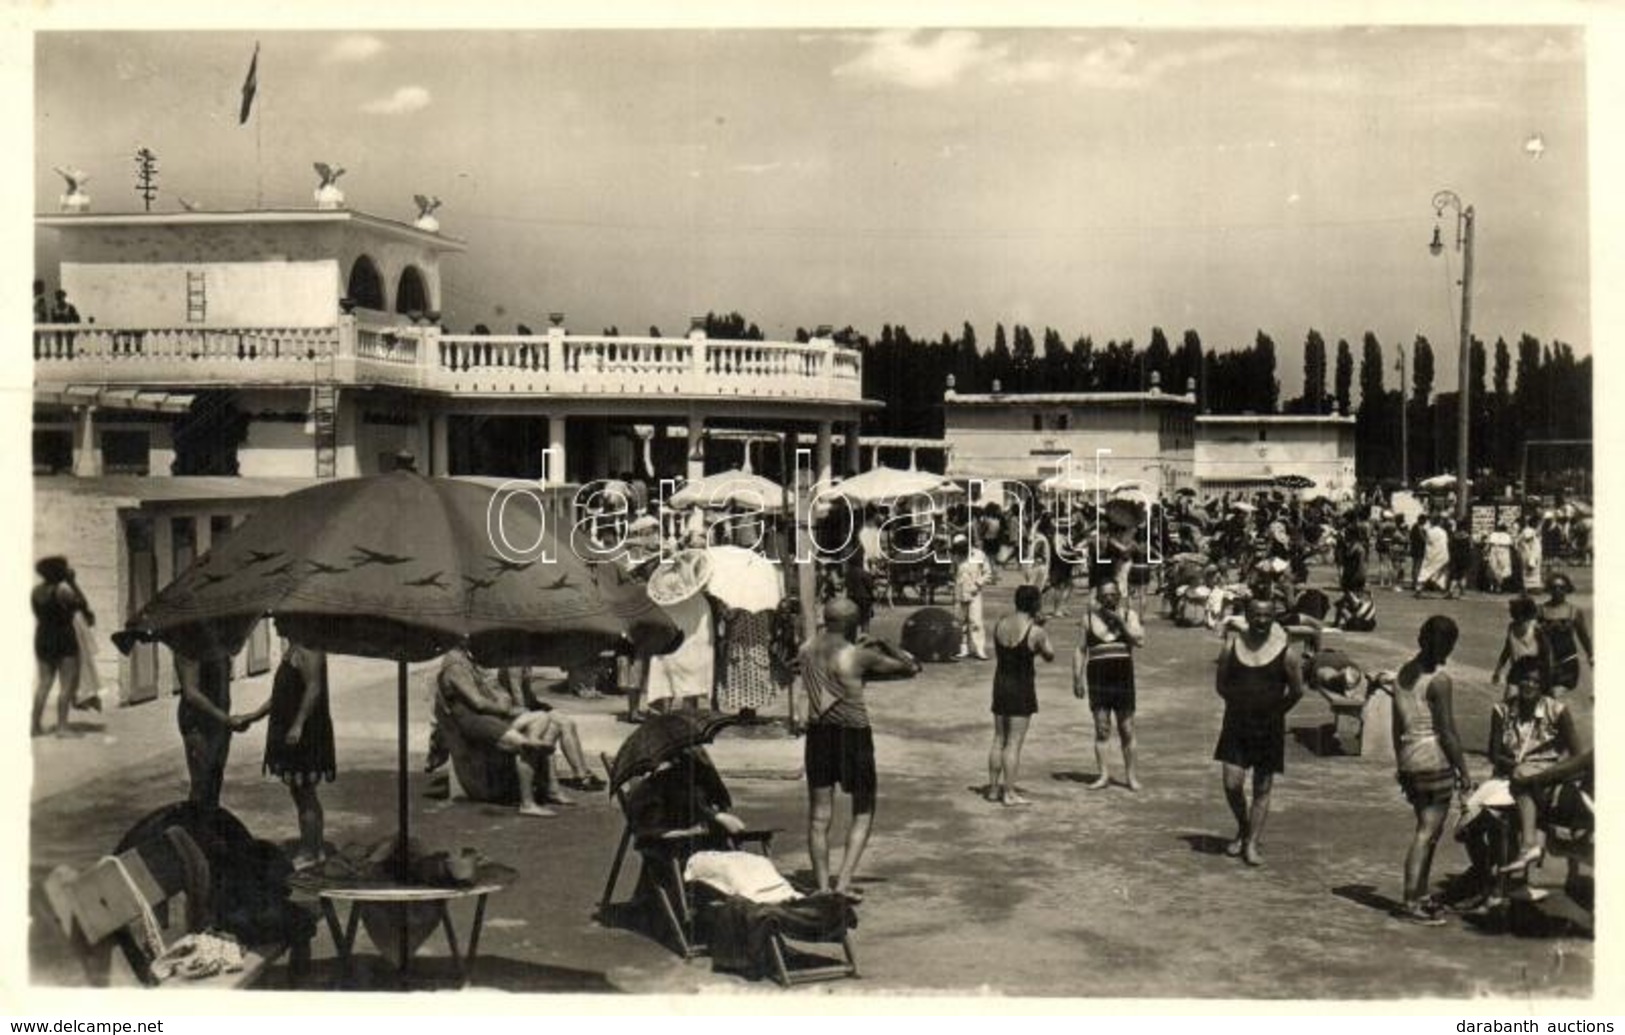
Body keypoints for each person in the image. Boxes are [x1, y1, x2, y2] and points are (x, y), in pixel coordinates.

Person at [794, 597, 921, 899]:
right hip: (853, 735)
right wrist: (884, 643)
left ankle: (823, 886)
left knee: (819, 816)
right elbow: (911, 667)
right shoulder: (857, 655)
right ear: (853, 625)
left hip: (819, 734)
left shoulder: (806, 648)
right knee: (863, 810)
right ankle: (843, 883)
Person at [435, 642, 604, 818]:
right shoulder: (454, 664)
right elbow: (479, 702)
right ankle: (528, 802)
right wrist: (503, 708)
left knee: (549, 726)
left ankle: (552, 788)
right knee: (532, 742)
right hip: (475, 720)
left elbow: (499, 694)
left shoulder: (469, 660)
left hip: (490, 716)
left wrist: (506, 704)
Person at [1384, 616, 1474, 925]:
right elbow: (1447, 731)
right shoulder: (1439, 680)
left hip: (1409, 756)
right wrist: (1464, 770)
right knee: (1427, 832)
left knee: (1428, 830)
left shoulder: (1403, 673)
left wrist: (1400, 762)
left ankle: (1420, 894)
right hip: (1433, 758)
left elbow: (1396, 726)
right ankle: (1410, 901)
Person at [1213, 597, 1305, 867]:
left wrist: (1275, 713)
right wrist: (1241, 705)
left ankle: (1251, 842)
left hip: (1269, 728)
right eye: (1257, 615)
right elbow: (1221, 685)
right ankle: (1243, 827)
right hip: (1236, 724)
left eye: (1268, 616)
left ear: (1274, 618)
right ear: (1247, 617)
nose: (1262, 621)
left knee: (1262, 787)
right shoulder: (1232, 646)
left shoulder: (1286, 653)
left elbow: (1297, 691)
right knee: (1232, 784)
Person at [237, 638, 336, 868]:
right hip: (291, 730)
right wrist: (253, 716)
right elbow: (280, 696)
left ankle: (311, 850)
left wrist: (298, 724)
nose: (279, 626)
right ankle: (314, 847)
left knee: (305, 793)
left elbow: (314, 688)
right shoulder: (293, 648)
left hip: (305, 734)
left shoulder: (309, 648)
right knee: (299, 792)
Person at [1489, 658, 1586, 876]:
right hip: (1510, 773)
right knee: (1477, 818)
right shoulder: (1501, 710)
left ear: (1543, 685)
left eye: (1536, 681)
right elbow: (1493, 754)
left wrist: (1548, 775)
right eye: (1525, 679)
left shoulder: (1557, 711)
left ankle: (1527, 849)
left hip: (1548, 775)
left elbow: (1577, 755)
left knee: (1522, 784)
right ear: (1516, 680)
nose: (1529, 685)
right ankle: (1513, 874)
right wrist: (1517, 766)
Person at [987, 586, 1055, 806]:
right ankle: (1009, 792)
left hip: (1000, 683)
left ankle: (993, 789)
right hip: (1021, 686)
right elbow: (1049, 655)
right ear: (1036, 604)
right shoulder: (1035, 631)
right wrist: (1042, 628)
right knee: (1014, 743)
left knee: (999, 739)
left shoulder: (1000, 624)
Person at [1075, 580, 1145, 791]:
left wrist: (1120, 623)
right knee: (1102, 728)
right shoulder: (1088, 618)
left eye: (1113, 594)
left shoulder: (1128, 616)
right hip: (1097, 677)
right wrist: (1076, 678)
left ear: (1119, 595)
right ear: (1098, 597)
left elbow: (1139, 641)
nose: (1109, 598)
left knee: (1127, 728)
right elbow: (1079, 650)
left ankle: (1131, 776)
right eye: (1104, 595)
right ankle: (1104, 774)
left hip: (1122, 676)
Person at [31, 556, 93, 737]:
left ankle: (34, 726)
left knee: (44, 683)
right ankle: (62, 727)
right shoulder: (63, 590)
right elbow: (82, 605)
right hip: (63, 636)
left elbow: (39, 613)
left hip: (42, 636)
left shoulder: (36, 591)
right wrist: (73, 582)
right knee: (66, 685)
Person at [177, 654, 242, 809]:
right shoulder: (188, 647)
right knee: (202, 783)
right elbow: (191, 693)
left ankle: (208, 827)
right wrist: (225, 718)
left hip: (219, 720)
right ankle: (196, 827)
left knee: (215, 780)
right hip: (198, 723)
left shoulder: (218, 645)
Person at [1537, 573, 1593, 695]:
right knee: (1542, 695)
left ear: (1567, 589)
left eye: (1561, 587)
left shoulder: (1574, 611)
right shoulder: (1541, 610)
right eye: (1554, 587)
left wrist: (1591, 655)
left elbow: (1583, 636)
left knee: (1553, 694)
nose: (1558, 590)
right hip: (1545, 661)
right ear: (1549, 589)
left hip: (1568, 661)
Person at [1490, 595, 1551, 692]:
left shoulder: (1536, 628)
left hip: (1533, 670)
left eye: (1514, 609)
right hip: (1516, 669)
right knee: (1510, 698)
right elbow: (1507, 650)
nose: (1511, 612)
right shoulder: (1511, 627)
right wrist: (1498, 670)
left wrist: (1546, 677)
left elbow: (1546, 653)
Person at [951, 537, 990, 660]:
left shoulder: (979, 555)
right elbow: (953, 572)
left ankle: (979, 649)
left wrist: (978, 583)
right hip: (960, 592)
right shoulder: (956, 556)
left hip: (975, 593)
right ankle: (962, 648)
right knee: (959, 621)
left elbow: (987, 573)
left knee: (976, 621)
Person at [1413, 515, 1450, 598]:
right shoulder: (1443, 532)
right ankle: (1443, 589)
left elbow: (1425, 540)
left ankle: (1419, 588)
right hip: (1442, 555)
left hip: (1431, 554)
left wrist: (1421, 531)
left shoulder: (1429, 531)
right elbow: (1446, 542)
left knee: (1425, 571)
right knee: (1441, 573)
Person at [1445, 518, 1473, 599]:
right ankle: (1462, 593)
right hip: (1465, 557)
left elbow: (1450, 546)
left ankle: (1451, 591)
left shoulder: (1454, 536)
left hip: (1455, 557)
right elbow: (1471, 547)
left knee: (1454, 575)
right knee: (1463, 575)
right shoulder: (1468, 537)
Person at [1485, 523, 1515, 593]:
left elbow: (1488, 544)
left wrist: (1486, 552)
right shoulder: (1507, 536)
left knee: (1493, 568)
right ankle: (1499, 587)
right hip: (1503, 552)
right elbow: (1511, 544)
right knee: (1502, 570)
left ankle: (1492, 586)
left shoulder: (1493, 535)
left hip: (1494, 551)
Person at [1407, 515, 1428, 592]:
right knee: (1417, 566)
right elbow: (1423, 539)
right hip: (1419, 549)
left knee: (1415, 566)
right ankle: (1415, 583)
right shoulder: (1419, 528)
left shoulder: (1415, 527)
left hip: (1415, 549)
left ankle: (1414, 582)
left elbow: (1411, 537)